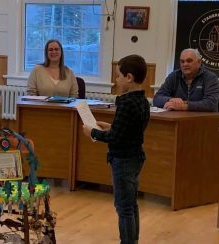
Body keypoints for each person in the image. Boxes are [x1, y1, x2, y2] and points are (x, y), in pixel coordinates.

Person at [82, 54, 150, 244]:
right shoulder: (142, 101)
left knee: (124, 208)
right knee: (131, 205)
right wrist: (109, 126)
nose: (116, 79)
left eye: (118, 75)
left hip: (123, 160)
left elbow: (115, 138)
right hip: (136, 157)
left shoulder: (126, 102)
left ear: (129, 78)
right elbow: (128, 131)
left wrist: (93, 133)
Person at [153, 48, 219, 111]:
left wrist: (184, 106)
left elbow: (211, 104)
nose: (185, 64)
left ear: (199, 62)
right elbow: (156, 99)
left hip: (203, 120)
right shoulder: (174, 76)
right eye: (182, 61)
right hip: (178, 119)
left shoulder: (210, 77)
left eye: (189, 61)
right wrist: (170, 99)